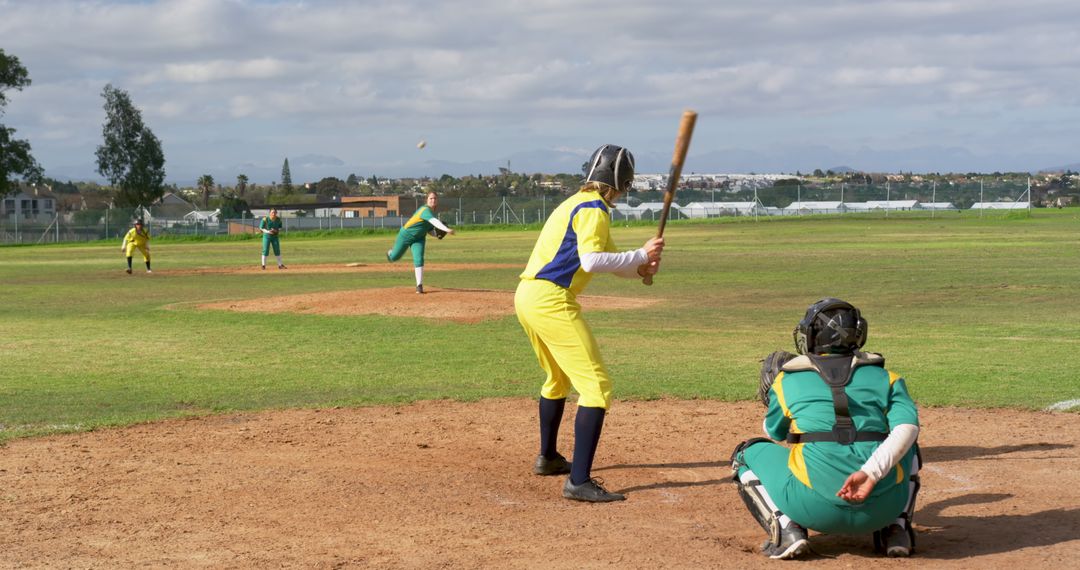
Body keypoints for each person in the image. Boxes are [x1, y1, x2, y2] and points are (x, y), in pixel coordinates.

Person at [515, 144, 663, 503]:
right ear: (622, 182)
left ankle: (548, 458)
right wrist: (642, 254)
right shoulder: (594, 210)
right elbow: (594, 260)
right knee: (596, 386)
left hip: (528, 296)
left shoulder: (577, 203)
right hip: (551, 300)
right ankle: (578, 481)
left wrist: (640, 267)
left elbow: (610, 261)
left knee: (558, 379)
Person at [730, 298, 922, 559]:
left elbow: (773, 433)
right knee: (908, 446)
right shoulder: (888, 378)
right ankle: (896, 529)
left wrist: (778, 404)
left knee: (745, 453)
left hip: (810, 508)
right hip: (882, 509)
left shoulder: (788, 380)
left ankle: (788, 529)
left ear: (812, 337)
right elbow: (907, 428)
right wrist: (870, 473)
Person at [386, 191, 454, 294]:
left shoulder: (431, 213)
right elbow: (434, 222)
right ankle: (390, 253)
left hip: (419, 239)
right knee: (395, 257)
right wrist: (446, 229)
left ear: (437, 201)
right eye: (431, 198)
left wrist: (438, 235)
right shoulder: (425, 210)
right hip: (405, 235)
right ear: (426, 200)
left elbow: (430, 230)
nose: (433, 200)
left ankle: (419, 286)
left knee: (419, 259)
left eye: (435, 198)